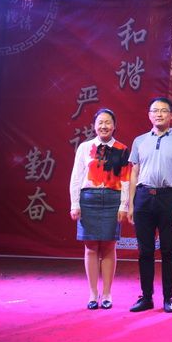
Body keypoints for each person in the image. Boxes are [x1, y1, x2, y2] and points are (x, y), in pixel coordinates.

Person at [128, 97, 172, 313]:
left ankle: (168, 298)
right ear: (149, 115)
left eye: (163, 110)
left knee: (168, 251)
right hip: (144, 197)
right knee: (145, 251)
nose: (159, 114)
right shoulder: (139, 141)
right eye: (155, 110)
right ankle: (146, 297)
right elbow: (134, 172)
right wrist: (131, 204)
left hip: (169, 198)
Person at [69, 108, 130, 310]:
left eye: (108, 122)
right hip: (89, 199)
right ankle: (93, 293)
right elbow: (76, 177)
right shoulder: (85, 147)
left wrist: (124, 205)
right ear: (94, 126)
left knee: (109, 246)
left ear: (114, 126)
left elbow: (126, 180)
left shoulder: (122, 149)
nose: (104, 126)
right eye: (100, 123)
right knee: (91, 247)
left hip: (113, 199)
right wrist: (75, 203)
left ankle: (107, 293)